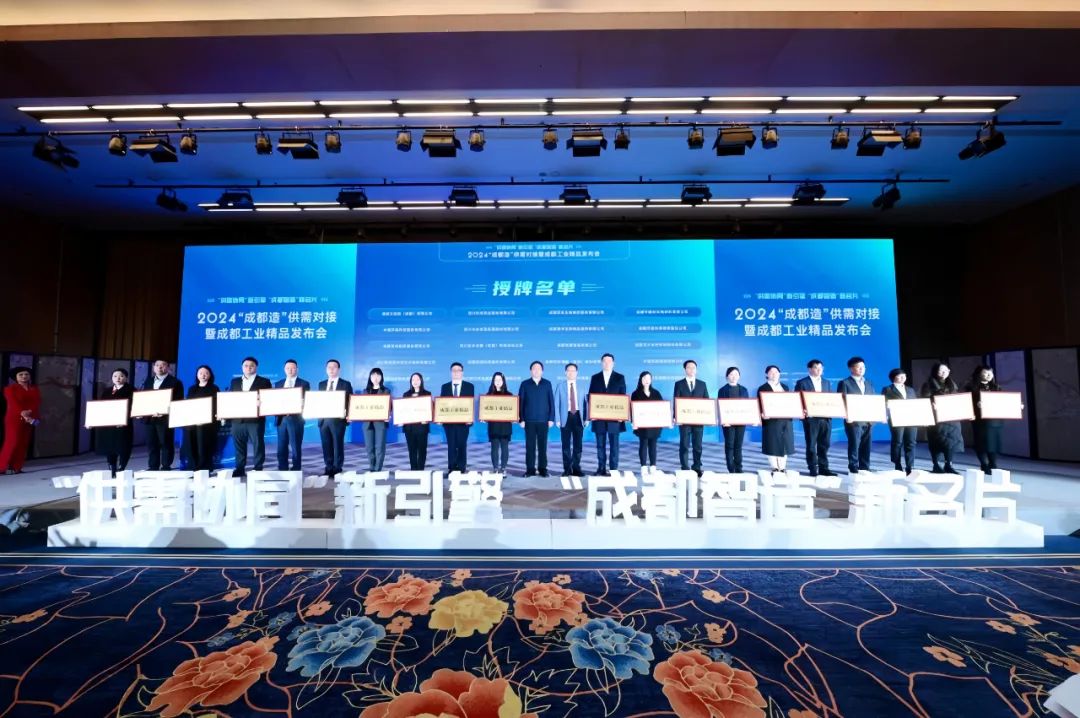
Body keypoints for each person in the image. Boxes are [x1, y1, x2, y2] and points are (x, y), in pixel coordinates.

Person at [228, 356, 273, 478]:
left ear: (256, 367)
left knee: (258, 444)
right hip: (237, 419)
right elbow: (230, 399)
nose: (248, 368)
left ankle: (258, 468)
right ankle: (240, 468)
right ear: (242, 367)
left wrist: (261, 402)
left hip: (255, 420)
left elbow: (269, 399)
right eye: (246, 366)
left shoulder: (264, 381)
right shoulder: (235, 382)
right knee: (239, 445)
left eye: (251, 366)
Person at [586, 353, 626, 476]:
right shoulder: (595, 378)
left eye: (609, 361)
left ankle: (613, 469)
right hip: (599, 418)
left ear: (613, 363)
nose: (607, 363)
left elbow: (623, 397)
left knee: (614, 446)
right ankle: (601, 468)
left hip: (615, 418)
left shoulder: (620, 377)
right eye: (605, 361)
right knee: (600, 445)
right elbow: (591, 396)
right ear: (601, 363)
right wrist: (592, 412)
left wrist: (622, 415)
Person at [140, 359, 184, 471]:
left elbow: (178, 401)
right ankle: (153, 466)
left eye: (163, 365)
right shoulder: (148, 381)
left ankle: (166, 465)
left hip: (165, 417)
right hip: (149, 417)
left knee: (165, 442)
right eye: (157, 365)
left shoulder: (175, 382)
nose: (160, 367)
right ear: (153, 367)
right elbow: (144, 398)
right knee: (151, 442)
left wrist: (166, 410)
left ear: (168, 367)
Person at [794, 359, 836, 477]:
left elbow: (830, 399)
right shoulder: (802, 382)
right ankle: (813, 468)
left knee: (824, 444)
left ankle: (824, 468)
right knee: (811, 444)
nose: (818, 370)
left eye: (820, 368)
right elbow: (797, 399)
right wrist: (803, 411)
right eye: (816, 368)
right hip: (811, 419)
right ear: (810, 369)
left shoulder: (827, 382)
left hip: (825, 418)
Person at [921, 362, 964, 474]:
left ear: (949, 371)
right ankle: (936, 465)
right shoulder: (928, 384)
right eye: (940, 370)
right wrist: (931, 405)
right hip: (937, 418)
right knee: (936, 441)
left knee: (951, 441)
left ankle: (949, 464)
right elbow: (924, 400)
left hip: (952, 418)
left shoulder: (953, 384)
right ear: (935, 371)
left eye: (946, 370)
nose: (943, 372)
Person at [0, 367, 41, 474]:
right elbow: (13, 403)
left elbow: (37, 401)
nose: (24, 376)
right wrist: (22, 412)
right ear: (16, 377)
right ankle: (2, 467)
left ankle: (16, 467)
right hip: (14, 418)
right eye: (21, 375)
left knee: (23, 443)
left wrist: (29, 412)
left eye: (26, 374)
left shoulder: (34, 389)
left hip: (30, 418)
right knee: (12, 441)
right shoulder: (10, 389)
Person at [838, 356, 875, 474]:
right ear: (851, 368)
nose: (862, 369)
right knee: (854, 444)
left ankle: (865, 466)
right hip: (853, 419)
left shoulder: (868, 382)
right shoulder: (845, 383)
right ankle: (853, 466)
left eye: (863, 367)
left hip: (868, 419)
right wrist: (846, 415)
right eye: (859, 367)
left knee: (866, 444)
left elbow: (873, 400)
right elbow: (841, 400)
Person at [518, 360, 555, 477]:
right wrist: (521, 419)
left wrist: (551, 418)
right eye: (534, 368)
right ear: (530, 371)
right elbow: (520, 402)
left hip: (544, 420)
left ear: (542, 371)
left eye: (539, 368)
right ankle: (530, 469)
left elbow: (551, 402)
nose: (536, 370)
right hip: (529, 421)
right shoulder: (525, 384)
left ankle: (543, 469)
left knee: (543, 446)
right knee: (530, 446)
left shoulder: (547, 384)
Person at [318, 359, 353, 478]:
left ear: (339, 369)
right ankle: (328, 467)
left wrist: (349, 414)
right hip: (323, 419)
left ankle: (337, 468)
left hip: (338, 420)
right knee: (326, 444)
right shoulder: (321, 384)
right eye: (329, 367)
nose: (331, 369)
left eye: (334, 367)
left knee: (338, 444)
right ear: (326, 369)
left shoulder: (345, 384)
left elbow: (350, 401)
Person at [673, 359, 708, 476]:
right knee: (684, 444)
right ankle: (684, 467)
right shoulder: (679, 384)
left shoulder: (702, 384)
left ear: (696, 370)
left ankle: (697, 466)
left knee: (698, 445)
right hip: (684, 420)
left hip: (698, 420)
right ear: (685, 369)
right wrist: (675, 416)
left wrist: (708, 416)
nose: (691, 369)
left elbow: (707, 402)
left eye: (693, 367)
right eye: (689, 367)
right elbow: (676, 401)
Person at [96, 368, 134, 474]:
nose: (118, 378)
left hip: (123, 424)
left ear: (126, 378)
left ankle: (122, 468)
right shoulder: (107, 391)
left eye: (121, 376)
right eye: (115, 376)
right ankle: (111, 467)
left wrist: (124, 418)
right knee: (110, 446)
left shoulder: (131, 390)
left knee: (123, 446)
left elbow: (134, 407)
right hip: (109, 424)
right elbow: (101, 406)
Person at [967, 364, 1004, 474]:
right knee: (981, 442)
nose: (988, 375)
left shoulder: (996, 387)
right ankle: (984, 464)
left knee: (993, 442)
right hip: (980, 419)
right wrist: (976, 405)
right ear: (979, 374)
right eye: (985, 372)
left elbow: (1003, 401)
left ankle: (993, 463)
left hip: (994, 420)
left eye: (990, 373)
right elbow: (966, 402)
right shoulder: (972, 387)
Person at [274, 359, 310, 472]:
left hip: (296, 419)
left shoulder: (304, 383)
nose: (290, 370)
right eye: (288, 368)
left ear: (297, 369)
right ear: (284, 369)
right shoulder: (278, 384)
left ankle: (296, 468)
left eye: (293, 368)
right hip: (281, 419)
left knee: (295, 446)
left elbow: (307, 401)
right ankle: (282, 468)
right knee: (281, 446)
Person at [757, 365, 794, 472]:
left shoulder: (785, 387)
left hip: (785, 419)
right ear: (767, 374)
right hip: (771, 420)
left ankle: (782, 467)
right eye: (771, 372)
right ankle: (774, 467)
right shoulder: (763, 388)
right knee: (772, 443)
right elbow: (759, 404)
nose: (774, 374)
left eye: (776, 372)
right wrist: (761, 415)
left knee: (784, 443)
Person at [553, 362, 587, 477]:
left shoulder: (582, 386)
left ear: (577, 373)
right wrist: (557, 419)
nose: (571, 373)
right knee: (566, 445)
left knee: (578, 445)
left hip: (578, 417)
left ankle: (576, 468)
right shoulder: (560, 386)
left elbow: (586, 403)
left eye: (573, 371)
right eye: (569, 371)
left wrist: (586, 418)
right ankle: (567, 469)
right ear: (565, 373)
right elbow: (556, 404)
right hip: (565, 417)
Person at [440, 362, 475, 473]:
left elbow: (470, 404)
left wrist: (470, 419)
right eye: (454, 370)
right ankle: (451, 468)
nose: (456, 372)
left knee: (462, 445)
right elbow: (442, 404)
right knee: (451, 445)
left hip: (463, 422)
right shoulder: (445, 387)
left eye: (458, 370)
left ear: (462, 372)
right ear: (451, 372)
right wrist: (440, 418)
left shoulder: (469, 386)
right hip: (449, 422)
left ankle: (461, 467)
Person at [882, 368, 917, 474]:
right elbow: (883, 404)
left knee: (911, 442)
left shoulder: (910, 389)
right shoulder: (887, 389)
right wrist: (885, 415)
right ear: (893, 377)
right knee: (897, 441)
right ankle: (897, 463)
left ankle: (910, 466)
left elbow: (916, 404)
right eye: (900, 376)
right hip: (896, 418)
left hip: (911, 419)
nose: (903, 378)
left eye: (904, 376)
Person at [185, 365, 219, 472]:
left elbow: (217, 405)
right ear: (197, 375)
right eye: (201, 373)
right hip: (193, 422)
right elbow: (188, 404)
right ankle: (194, 467)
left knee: (205, 445)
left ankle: (205, 468)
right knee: (192, 443)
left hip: (208, 423)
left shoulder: (214, 388)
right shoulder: (192, 389)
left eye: (206, 373)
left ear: (210, 375)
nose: (203, 375)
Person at [717, 367, 749, 473]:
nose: (734, 376)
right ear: (727, 376)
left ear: (739, 376)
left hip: (741, 422)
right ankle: (731, 468)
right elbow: (720, 406)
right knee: (729, 445)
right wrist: (723, 420)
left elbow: (748, 406)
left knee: (738, 445)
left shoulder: (744, 390)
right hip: (727, 422)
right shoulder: (722, 390)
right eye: (731, 374)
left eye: (736, 374)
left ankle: (739, 468)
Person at [631, 371, 664, 470]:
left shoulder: (656, 393)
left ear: (651, 380)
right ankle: (643, 467)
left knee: (653, 445)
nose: (646, 380)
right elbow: (632, 409)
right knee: (643, 444)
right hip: (642, 425)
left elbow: (662, 408)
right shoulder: (635, 394)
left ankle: (653, 466)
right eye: (644, 378)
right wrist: (633, 422)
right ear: (640, 380)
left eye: (649, 378)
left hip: (654, 425)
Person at [361, 367, 391, 472]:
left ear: (381, 377)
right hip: (367, 423)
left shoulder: (386, 391)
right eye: (373, 375)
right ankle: (372, 467)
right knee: (369, 447)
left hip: (380, 423)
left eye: (378, 375)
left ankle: (378, 469)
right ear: (370, 377)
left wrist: (388, 414)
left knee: (380, 447)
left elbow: (389, 406)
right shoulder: (365, 391)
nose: (375, 377)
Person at [486, 372, 513, 473]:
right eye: (496, 380)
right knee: (494, 448)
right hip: (494, 426)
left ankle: (503, 468)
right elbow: (485, 410)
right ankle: (495, 468)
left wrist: (514, 417)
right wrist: (484, 417)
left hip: (505, 426)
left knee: (505, 447)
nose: (498, 382)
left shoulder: (509, 395)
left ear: (503, 381)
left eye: (499, 380)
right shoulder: (488, 396)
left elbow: (512, 410)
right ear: (493, 381)